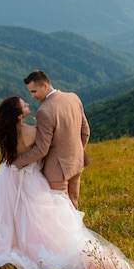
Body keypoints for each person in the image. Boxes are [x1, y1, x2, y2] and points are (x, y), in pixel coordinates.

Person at [0, 96, 134, 269]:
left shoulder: (8, 133)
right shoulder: (31, 132)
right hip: (29, 180)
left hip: (7, 177)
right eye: (24, 104)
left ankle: (12, 245)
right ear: (19, 115)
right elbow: (48, 142)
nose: (28, 104)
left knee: (8, 214)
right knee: (38, 218)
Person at [13, 70, 90, 209]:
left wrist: (17, 162)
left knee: (61, 211)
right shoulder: (73, 97)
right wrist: (77, 151)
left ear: (45, 86)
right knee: (73, 204)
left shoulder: (44, 111)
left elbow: (42, 149)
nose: (32, 96)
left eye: (34, 91)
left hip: (57, 169)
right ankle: (76, 231)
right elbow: (85, 132)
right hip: (77, 162)